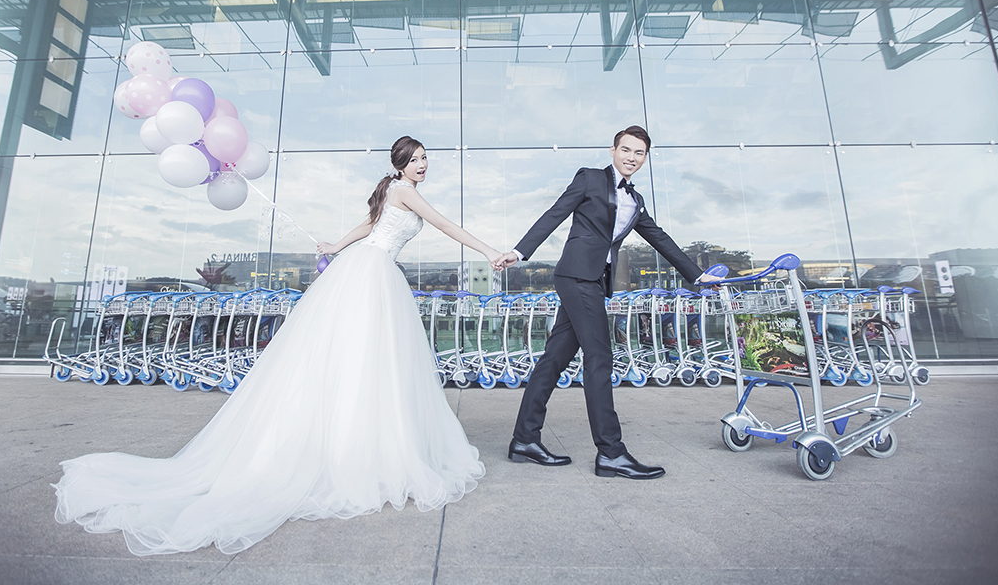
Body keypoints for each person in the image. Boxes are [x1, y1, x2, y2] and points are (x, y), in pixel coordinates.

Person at [54, 136, 496, 555]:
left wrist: (335, 244)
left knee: (356, 359)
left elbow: (370, 224)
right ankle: (357, 451)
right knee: (364, 359)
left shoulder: (391, 191)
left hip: (366, 268)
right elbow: (442, 224)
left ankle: (357, 444)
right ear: (400, 165)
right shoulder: (404, 190)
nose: (424, 164)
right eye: (417, 158)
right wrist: (490, 251)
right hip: (371, 272)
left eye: (425, 158)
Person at [494, 125, 720, 480]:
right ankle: (611, 453)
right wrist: (520, 252)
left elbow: (660, 238)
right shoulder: (590, 179)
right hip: (577, 277)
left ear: (645, 159)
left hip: (593, 281)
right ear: (613, 150)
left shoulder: (636, 201)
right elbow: (555, 213)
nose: (631, 157)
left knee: (554, 360)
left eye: (639, 153)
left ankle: (524, 439)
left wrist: (697, 274)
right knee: (599, 359)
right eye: (626, 150)